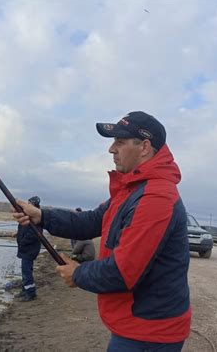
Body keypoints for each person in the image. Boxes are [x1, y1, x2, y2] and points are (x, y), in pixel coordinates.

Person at [14, 111, 191, 351]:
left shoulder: (155, 197)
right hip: (136, 325)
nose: (111, 149)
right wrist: (42, 216)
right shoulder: (131, 189)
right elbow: (91, 221)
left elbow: (122, 272)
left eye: (120, 142)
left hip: (149, 332)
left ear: (145, 147)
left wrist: (77, 274)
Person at [14, 195, 42, 302]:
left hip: (29, 249)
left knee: (26, 271)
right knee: (25, 270)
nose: (28, 205)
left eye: (30, 204)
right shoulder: (27, 216)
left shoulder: (36, 218)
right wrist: (17, 234)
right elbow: (24, 229)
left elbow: (33, 234)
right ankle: (24, 290)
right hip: (26, 249)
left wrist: (23, 242)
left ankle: (31, 294)